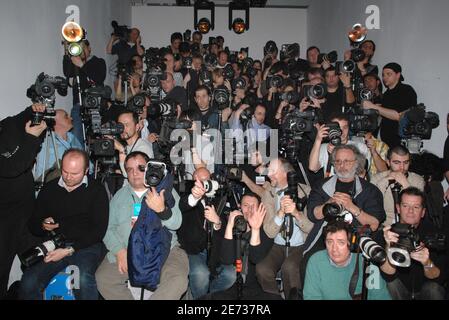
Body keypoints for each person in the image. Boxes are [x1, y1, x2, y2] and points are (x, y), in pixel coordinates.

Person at [96, 152, 188, 300]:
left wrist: (161, 210)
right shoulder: (120, 196)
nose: (135, 173)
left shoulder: (165, 191)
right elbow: (107, 228)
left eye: (140, 168)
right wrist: (119, 251)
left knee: (178, 281)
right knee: (104, 278)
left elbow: (177, 223)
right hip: (128, 252)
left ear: (149, 168)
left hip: (164, 250)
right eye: (129, 169)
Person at [19, 149, 109, 300]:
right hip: (54, 244)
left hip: (86, 245)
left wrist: (69, 250)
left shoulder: (96, 190)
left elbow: (98, 231)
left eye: (74, 174)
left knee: (83, 280)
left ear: (86, 170)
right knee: (29, 282)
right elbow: (32, 225)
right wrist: (43, 224)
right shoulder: (49, 189)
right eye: (65, 171)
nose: (68, 177)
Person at [302, 144, 386, 280]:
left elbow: (374, 224)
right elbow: (312, 215)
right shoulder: (322, 186)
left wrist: (351, 207)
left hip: (357, 238)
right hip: (325, 237)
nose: (342, 165)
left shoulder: (370, 190)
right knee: (308, 264)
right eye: (338, 161)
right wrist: (328, 204)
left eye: (347, 161)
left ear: (356, 163)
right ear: (333, 164)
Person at [0, 104, 47, 299]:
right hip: (5, 219)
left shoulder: (5, 126)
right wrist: (31, 138)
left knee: (39, 262)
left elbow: (17, 120)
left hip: (26, 212)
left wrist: (34, 108)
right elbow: (14, 167)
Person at [205, 192, 281, 300]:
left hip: (255, 289)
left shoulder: (266, 232)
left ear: (259, 208)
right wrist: (230, 225)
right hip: (230, 287)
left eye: (253, 206)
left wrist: (255, 229)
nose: (249, 210)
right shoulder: (230, 228)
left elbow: (255, 258)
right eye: (245, 205)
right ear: (240, 207)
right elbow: (226, 259)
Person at [256, 158, 313, 299]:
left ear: (286, 173)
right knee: (262, 269)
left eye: (273, 171)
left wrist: (296, 214)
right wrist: (280, 213)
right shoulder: (268, 194)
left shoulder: (305, 191)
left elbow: (311, 228)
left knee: (290, 268)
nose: (268, 174)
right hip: (277, 245)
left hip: (300, 245)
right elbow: (269, 232)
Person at [177, 168, 236, 299]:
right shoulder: (186, 198)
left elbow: (227, 228)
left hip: (215, 252)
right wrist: (194, 197)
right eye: (201, 180)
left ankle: (208, 297)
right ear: (194, 182)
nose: (205, 184)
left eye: (207, 180)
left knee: (231, 275)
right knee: (200, 274)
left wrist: (217, 222)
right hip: (193, 251)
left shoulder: (219, 201)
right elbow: (182, 206)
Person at [380, 187, 446, 300]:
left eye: (416, 207)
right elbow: (388, 276)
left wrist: (426, 262)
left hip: (425, 290)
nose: (410, 211)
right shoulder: (388, 234)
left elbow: (439, 278)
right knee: (391, 284)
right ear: (398, 208)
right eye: (405, 206)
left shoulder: (434, 235)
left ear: (423, 212)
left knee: (433, 289)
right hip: (399, 292)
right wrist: (388, 247)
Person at [303, 220, 391, 300]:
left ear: (350, 244)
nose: (334, 249)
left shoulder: (366, 262)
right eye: (330, 242)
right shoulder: (316, 262)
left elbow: (380, 296)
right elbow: (311, 296)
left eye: (341, 242)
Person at [362, 62, 417, 148]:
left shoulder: (406, 90)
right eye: (383, 75)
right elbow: (385, 115)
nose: (385, 77)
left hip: (399, 141)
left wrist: (373, 106)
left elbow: (398, 116)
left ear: (398, 75)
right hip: (384, 141)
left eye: (389, 74)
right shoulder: (386, 94)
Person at [63, 40, 106, 145]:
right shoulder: (75, 64)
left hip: (96, 105)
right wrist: (67, 52)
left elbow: (99, 78)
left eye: (83, 48)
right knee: (76, 138)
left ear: (89, 48)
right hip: (79, 105)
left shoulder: (98, 61)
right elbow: (67, 72)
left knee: (97, 140)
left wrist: (82, 65)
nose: (81, 51)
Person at [371, 146, 425, 226]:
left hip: (409, 226)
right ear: (388, 162)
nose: (402, 168)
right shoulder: (377, 179)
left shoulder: (417, 180)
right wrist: (385, 181)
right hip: (383, 226)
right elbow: (373, 205)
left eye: (406, 162)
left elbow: (417, 211)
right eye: (397, 163)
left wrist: (405, 183)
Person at [309, 113, 369, 178]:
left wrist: (335, 155)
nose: (342, 131)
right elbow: (312, 168)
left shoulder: (360, 147)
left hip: (352, 186)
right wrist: (318, 139)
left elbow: (361, 174)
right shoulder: (325, 147)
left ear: (349, 128)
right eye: (338, 128)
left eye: (345, 127)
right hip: (331, 186)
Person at [34, 109, 84, 182]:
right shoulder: (47, 143)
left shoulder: (73, 138)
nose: (71, 118)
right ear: (56, 122)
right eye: (66, 116)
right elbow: (41, 169)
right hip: (55, 182)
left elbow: (85, 159)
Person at [112, 111, 154, 178]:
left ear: (137, 127)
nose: (122, 129)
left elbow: (131, 175)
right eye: (120, 125)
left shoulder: (143, 147)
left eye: (126, 125)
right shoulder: (127, 146)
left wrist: (121, 150)